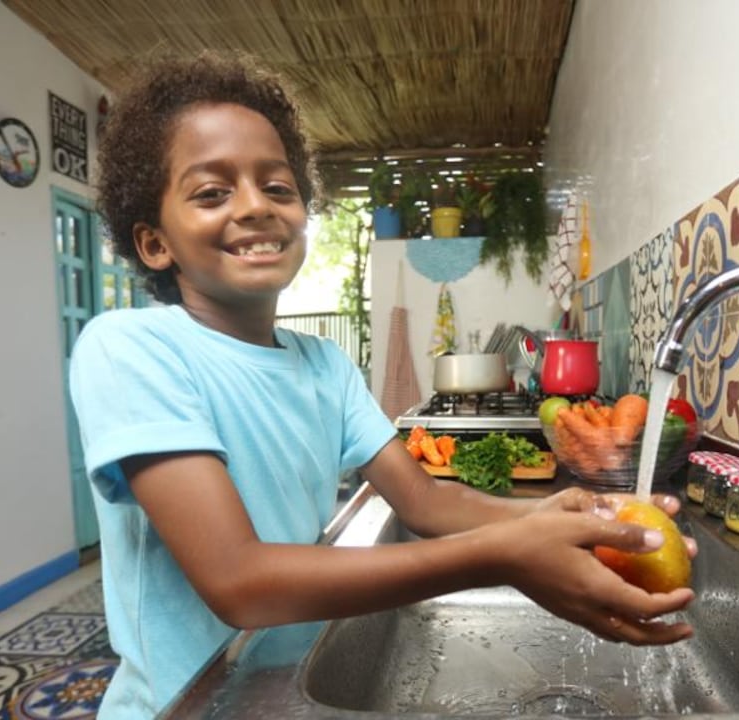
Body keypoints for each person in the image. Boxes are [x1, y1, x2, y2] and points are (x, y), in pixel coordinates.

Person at [70, 50, 696, 719]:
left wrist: (552, 518)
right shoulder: (129, 349)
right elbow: (239, 582)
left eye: (277, 187)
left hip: (277, 686)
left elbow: (424, 503)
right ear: (154, 242)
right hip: (186, 703)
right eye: (211, 192)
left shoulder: (323, 365)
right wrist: (506, 556)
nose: (255, 207)